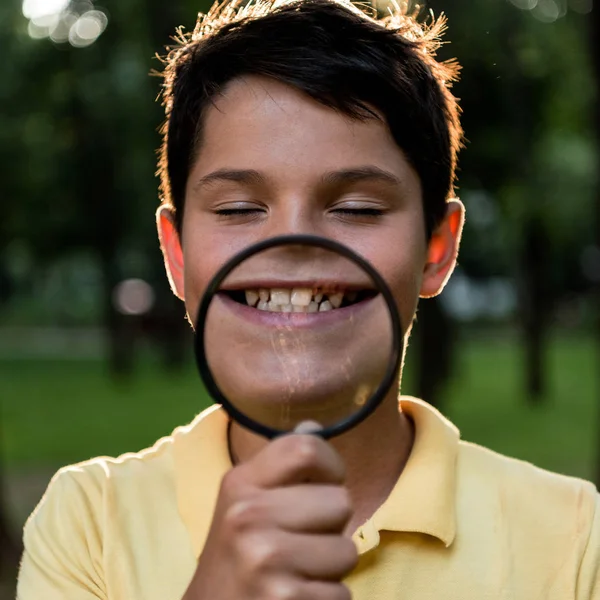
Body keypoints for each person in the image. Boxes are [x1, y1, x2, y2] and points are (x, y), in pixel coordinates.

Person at [17, 0, 600, 598]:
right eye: (239, 209)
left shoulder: (574, 536)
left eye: (357, 209)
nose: (293, 244)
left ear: (437, 247)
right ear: (178, 255)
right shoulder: (92, 522)